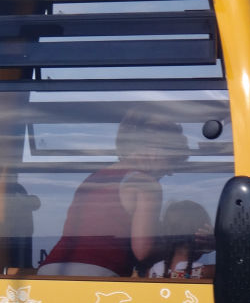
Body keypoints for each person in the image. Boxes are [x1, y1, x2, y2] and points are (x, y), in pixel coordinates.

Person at [37, 112, 188, 277]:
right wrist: (181, 248)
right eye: (172, 161)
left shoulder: (95, 177)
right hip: (97, 273)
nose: (171, 172)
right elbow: (143, 252)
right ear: (158, 150)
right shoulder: (146, 184)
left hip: (50, 270)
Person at [148, 200, 215, 280]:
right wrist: (217, 243)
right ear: (201, 236)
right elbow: (231, 267)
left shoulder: (153, 271)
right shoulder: (208, 272)